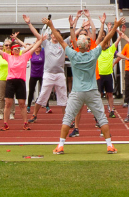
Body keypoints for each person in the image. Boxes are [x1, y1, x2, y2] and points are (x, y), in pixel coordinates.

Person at [52, 11, 123, 155]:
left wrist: (50, 25)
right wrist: (115, 26)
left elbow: (60, 40)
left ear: (78, 45)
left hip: (77, 91)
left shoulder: (73, 55)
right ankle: (109, 145)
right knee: (102, 118)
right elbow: (105, 40)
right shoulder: (93, 54)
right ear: (88, 44)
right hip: (91, 91)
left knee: (67, 117)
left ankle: (60, 145)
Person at [0, 31, 43, 131]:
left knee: (22, 104)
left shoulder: (24, 56)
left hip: (20, 82)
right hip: (10, 81)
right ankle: (5, 123)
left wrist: (40, 40)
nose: (17, 50)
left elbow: (32, 49)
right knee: (8, 103)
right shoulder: (8, 57)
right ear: (12, 50)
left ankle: (25, 123)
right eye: (15, 49)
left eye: (19, 49)